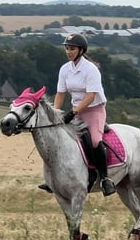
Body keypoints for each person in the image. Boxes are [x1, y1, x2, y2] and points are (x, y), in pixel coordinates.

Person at [40, 33, 115, 196]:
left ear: (81, 50)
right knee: (59, 138)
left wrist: (73, 112)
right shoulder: (65, 69)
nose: (68, 51)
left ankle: (104, 178)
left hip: (94, 109)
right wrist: (54, 115)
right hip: (76, 110)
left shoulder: (91, 69)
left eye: (72, 49)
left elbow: (91, 95)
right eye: (67, 48)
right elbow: (60, 93)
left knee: (94, 141)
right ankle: (53, 178)